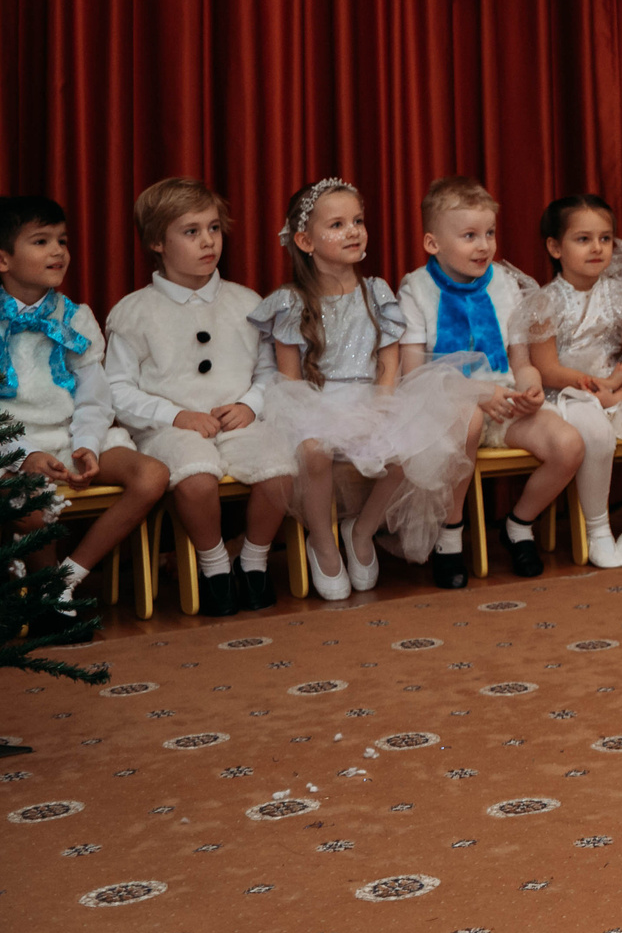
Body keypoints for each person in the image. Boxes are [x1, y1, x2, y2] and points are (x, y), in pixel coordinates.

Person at [256, 178, 471, 597]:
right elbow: (289, 379)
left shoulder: (376, 292)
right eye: (336, 225)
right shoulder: (291, 301)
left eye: (357, 220)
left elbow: (388, 359)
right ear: (305, 240)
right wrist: (310, 415)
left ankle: (362, 530)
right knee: (313, 450)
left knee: (409, 447)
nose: (352, 231)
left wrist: (384, 401)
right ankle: (322, 541)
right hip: (313, 402)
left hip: (370, 396)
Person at [102, 178, 295, 616]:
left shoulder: (246, 303)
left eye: (213, 229)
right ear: (157, 241)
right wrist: (175, 415)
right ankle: (214, 568)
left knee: (281, 469)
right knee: (196, 480)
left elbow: (269, 371)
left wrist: (251, 404)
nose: (207, 241)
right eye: (191, 232)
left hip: (237, 423)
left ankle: (254, 563)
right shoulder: (134, 312)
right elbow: (115, 389)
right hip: (166, 431)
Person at [1, 194, 167, 637]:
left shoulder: (75, 318)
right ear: (3, 258)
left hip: (70, 435)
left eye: (62, 240)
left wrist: (87, 445)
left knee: (151, 475)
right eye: (41, 241)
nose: (58, 251)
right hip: (12, 445)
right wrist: (25, 454)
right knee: (27, 501)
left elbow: (95, 397)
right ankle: (46, 594)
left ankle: (64, 581)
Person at [397, 176, 577, 583]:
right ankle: (450, 534)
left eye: (490, 233)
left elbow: (521, 360)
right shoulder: (415, 290)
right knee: (470, 421)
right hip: (444, 400)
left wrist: (529, 386)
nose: (484, 245)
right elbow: (415, 374)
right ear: (433, 244)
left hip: (503, 396)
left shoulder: (505, 284)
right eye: (469, 236)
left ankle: (518, 526)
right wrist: (478, 393)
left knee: (568, 446)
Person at [525, 195, 622, 568]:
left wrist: (620, 391)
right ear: (555, 247)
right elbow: (547, 368)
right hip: (569, 396)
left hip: (617, 392)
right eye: (583, 239)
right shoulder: (544, 301)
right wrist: (600, 385)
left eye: (605, 239)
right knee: (598, 436)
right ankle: (598, 530)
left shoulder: (621, 295)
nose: (597, 248)